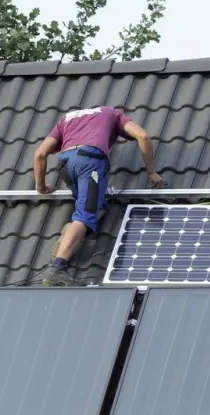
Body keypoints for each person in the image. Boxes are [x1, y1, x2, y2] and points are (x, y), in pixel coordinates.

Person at [33, 106, 164, 286]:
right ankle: (57, 268)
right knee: (86, 216)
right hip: (90, 162)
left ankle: (69, 235)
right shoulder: (112, 113)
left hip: (65, 164)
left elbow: (40, 153)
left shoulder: (68, 118)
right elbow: (142, 136)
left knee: (91, 205)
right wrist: (151, 172)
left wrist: (41, 186)